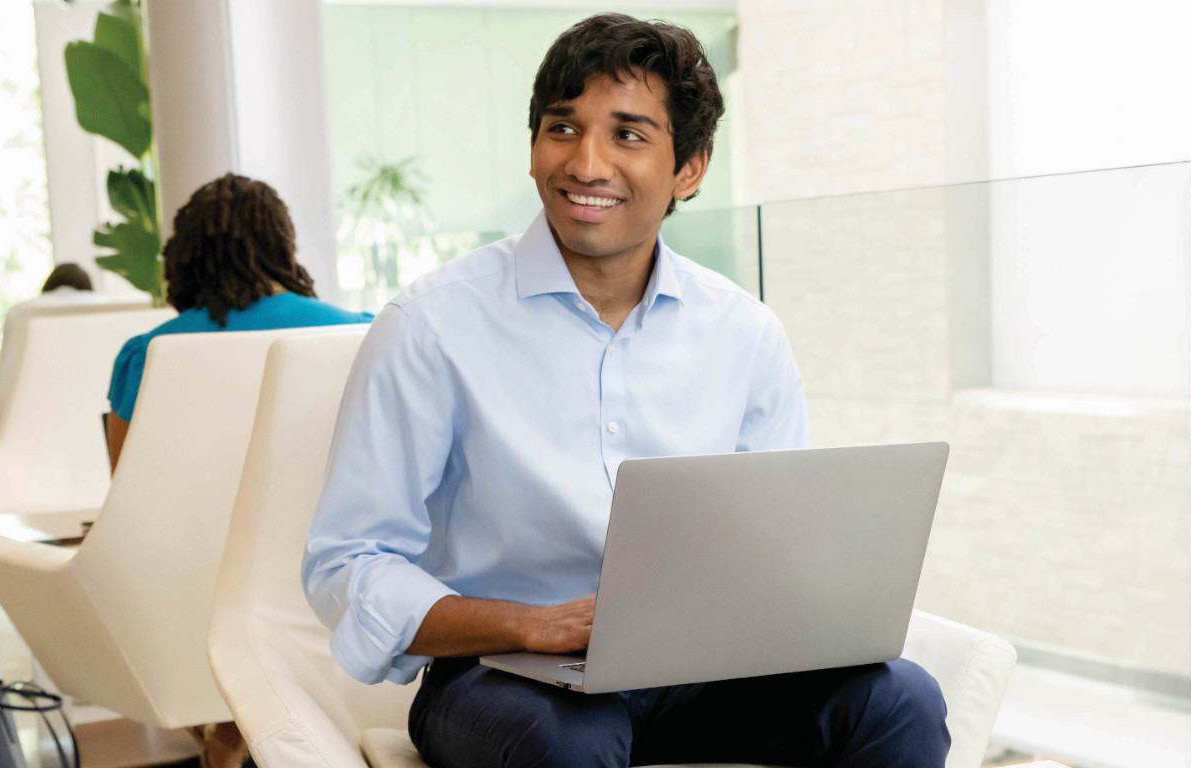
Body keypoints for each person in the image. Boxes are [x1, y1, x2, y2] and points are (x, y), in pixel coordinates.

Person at [303, 14, 948, 768]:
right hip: (503, 680)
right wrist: (527, 624)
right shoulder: (431, 326)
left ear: (691, 168)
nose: (586, 162)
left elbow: (773, 548)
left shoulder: (745, 333)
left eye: (629, 135)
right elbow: (348, 560)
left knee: (903, 699)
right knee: (567, 743)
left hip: (702, 677)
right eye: (562, 128)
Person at [104, 173, 370, 471]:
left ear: (185, 256)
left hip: (191, 519)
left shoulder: (146, 355)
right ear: (286, 247)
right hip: (317, 518)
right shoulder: (360, 335)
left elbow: (127, 488)